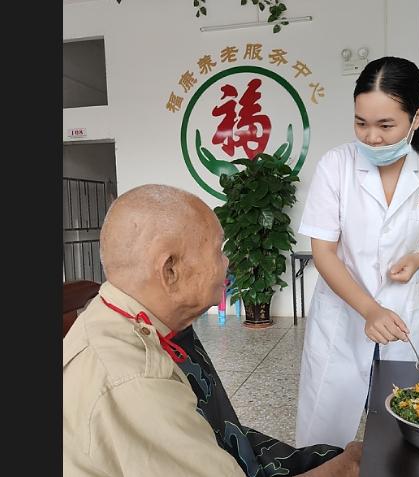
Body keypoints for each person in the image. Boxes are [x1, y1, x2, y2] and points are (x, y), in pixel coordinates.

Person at [63, 184, 362, 476]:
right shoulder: (135, 382)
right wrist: (347, 468)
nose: (227, 261)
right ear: (170, 270)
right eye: (218, 250)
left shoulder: (131, 315)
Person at [295, 56, 419, 449]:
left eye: (386, 125)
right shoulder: (336, 165)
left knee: (401, 425)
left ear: (416, 118)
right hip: (341, 315)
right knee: (323, 430)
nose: (371, 137)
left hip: (403, 318)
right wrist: (369, 309)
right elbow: (323, 252)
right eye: (361, 123)